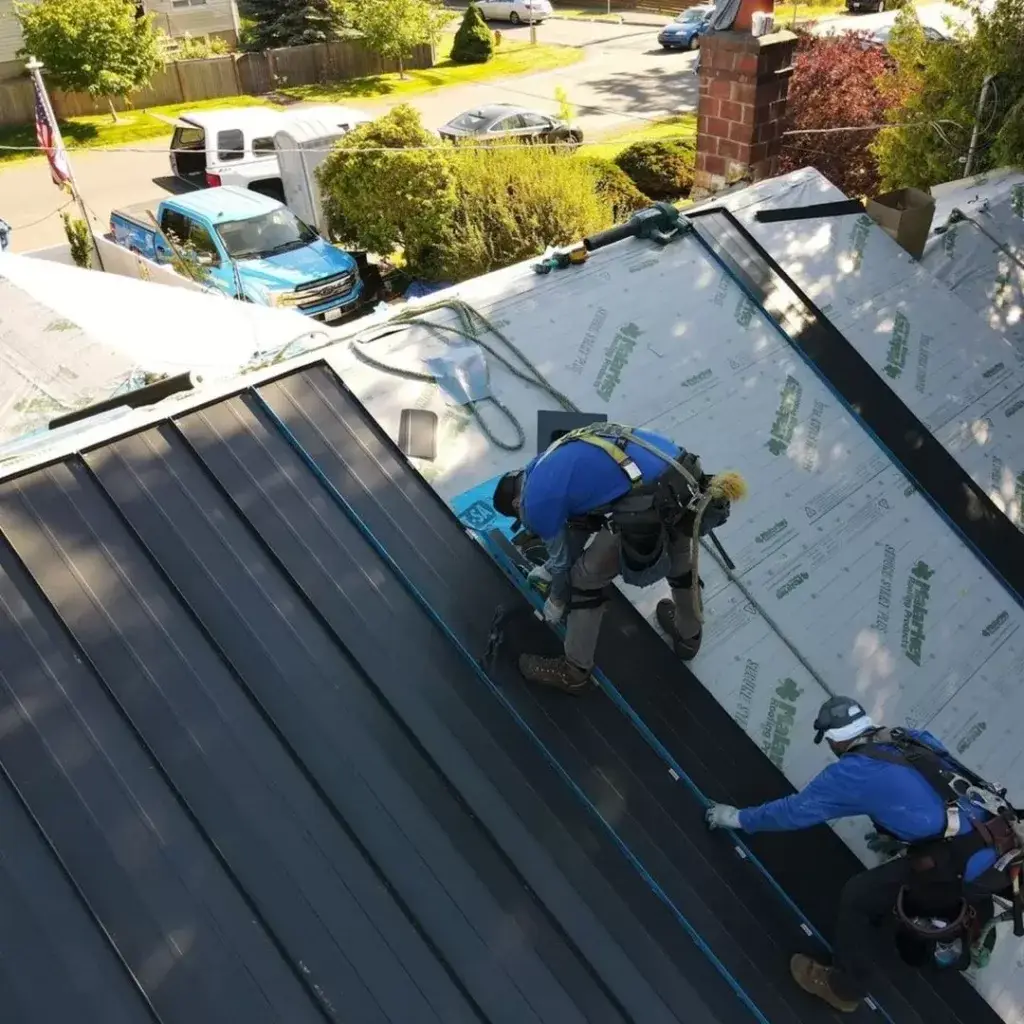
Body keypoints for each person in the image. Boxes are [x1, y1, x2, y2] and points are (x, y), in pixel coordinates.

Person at [705, 695, 1021, 1013]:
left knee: (857, 896)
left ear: (832, 741)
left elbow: (792, 812)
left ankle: (844, 987)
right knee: (972, 881)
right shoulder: (909, 737)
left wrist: (735, 817)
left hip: (959, 864)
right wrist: (906, 830)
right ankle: (974, 931)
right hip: (998, 842)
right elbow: (936, 791)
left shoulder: (852, 773)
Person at [491, 423, 736, 694]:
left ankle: (574, 670)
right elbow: (581, 520)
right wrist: (550, 568)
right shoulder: (546, 462)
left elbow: (564, 558)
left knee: (584, 579)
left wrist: (557, 598)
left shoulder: (534, 502)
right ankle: (689, 636)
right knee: (680, 560)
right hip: (681, 474)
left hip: (649, 500)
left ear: (517, 504)